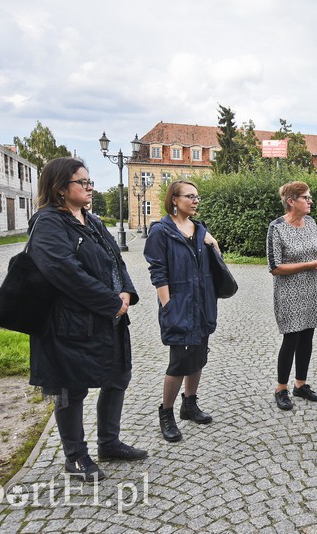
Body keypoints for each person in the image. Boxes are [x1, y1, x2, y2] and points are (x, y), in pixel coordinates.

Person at [27, 157, 147, 482]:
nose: (90, 186)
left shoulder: (91, 220)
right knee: (71, 387)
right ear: (61, 188)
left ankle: (109, 443)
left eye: (90, 181)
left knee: (118, 375)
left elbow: (115, 261)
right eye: (83, 182)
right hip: (68, 323)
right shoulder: (48, 222)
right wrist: (110, 301)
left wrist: (126, 293)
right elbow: (64, 272)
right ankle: (75, 457)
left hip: (109, 317)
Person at [144, 180, 218, 442]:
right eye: (190, 196)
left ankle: (190, 404)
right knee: (178, 363)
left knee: (198, 356)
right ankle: (166, 413)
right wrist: (168, 305)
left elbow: (215, 261)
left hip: (202, 304)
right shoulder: (161, 231)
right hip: (178, 305)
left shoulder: (199, 229)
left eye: (198, 196)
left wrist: (211, 241)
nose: (196, 200)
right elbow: (158, 272)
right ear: (174, 199)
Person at [266, 181, 317, 411]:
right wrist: (310, 264)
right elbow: (274, 266)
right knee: (290, 340)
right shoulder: (277, 228)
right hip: (288, 293)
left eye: (309, 197)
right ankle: (281, 388)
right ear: (291, 201)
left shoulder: (311, 223)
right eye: (305, 198)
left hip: (311, 290)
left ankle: (300, 384)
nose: (310, 201)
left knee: (307, 339)